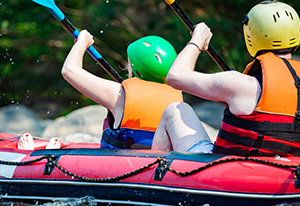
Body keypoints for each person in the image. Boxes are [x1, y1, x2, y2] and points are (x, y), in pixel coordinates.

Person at [152, 0, 300, 156]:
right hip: (284, 172)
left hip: (227, 170)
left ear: (251, 34)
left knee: (175, 110)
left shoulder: (241, 84)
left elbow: (175, 76)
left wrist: (197, 39)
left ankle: (150, 172)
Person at [61, 30, 183, 149]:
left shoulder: (120, 94)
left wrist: (82, 42)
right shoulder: (178, 100)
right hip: (161, 164)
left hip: (126, 165)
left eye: (129, 63)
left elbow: (69, 70)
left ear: (137, 71)